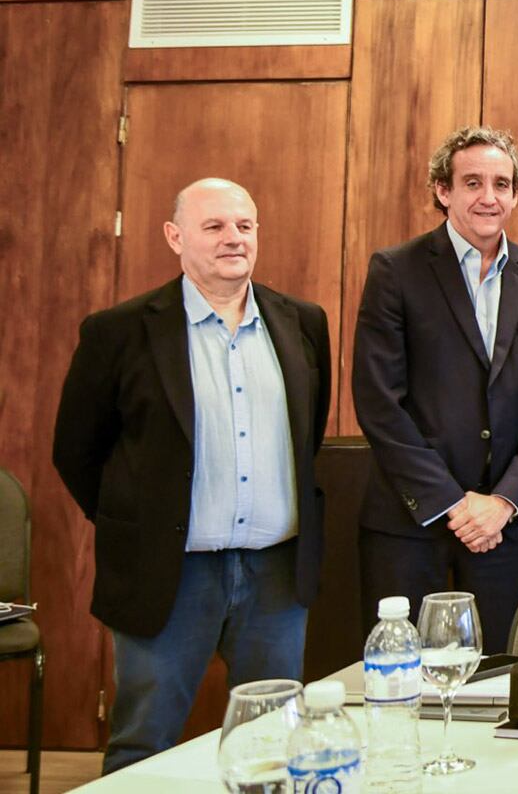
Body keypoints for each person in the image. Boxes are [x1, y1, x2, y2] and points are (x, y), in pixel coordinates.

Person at [53, 179, 330, 773]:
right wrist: (138, 526)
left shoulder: (303, 323)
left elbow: (306, 436)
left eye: (245, 226)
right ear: (175, 238)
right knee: (142, 744)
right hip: (168, 574)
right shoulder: (119, 331)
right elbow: (75, 451)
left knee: (275, 747)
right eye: (215, 227)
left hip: (276, 575)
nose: (234, 238)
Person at [352, 126, 518, 647]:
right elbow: (379, 402)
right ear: (443, 190)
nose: (488, 197)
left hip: (502, 526)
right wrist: (454, 504)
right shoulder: (396, 271)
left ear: (516, 195)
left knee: (491, 683)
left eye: (501, 184)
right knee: (400, 682)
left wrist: (503, 502)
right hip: (409, 523)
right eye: (472, 182)